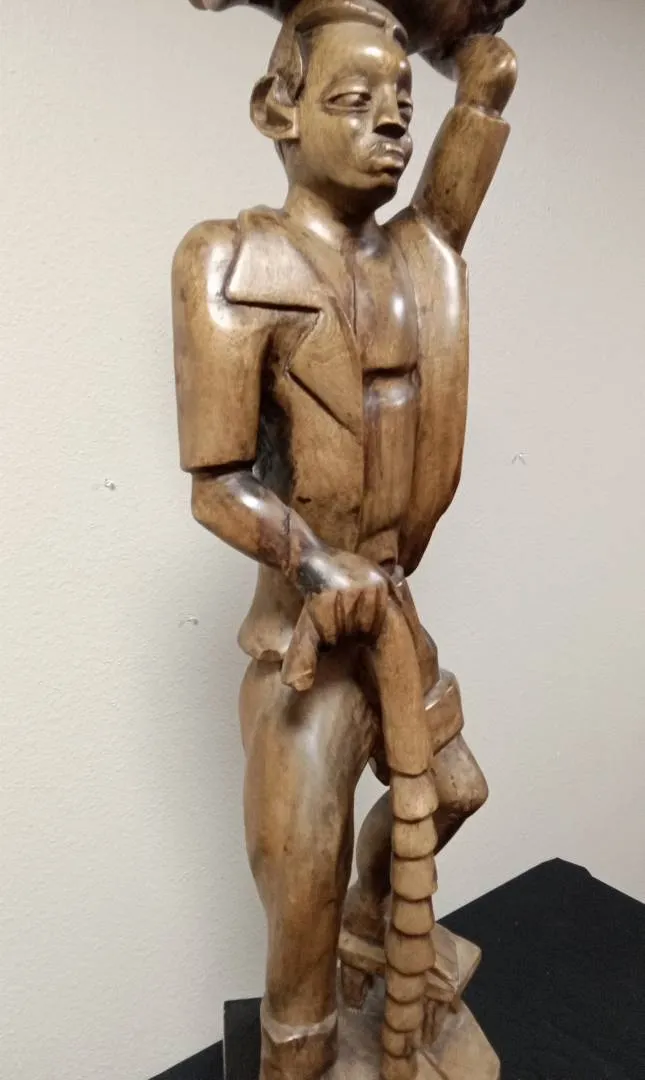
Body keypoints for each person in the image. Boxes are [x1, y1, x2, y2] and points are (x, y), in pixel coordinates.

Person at [172, 2, 517, 1076]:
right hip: (306, 643)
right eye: (354, 100)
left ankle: (377, 926)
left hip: (393, 619)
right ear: (278, 112)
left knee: (450, 793)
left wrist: (474, 72)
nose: (392, 123)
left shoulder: (416, 258)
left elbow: (463, 158)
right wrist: (314, 563)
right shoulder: (230, 263)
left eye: (401, 104)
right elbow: (217, 485)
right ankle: (303, 1055)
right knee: (300, 881)